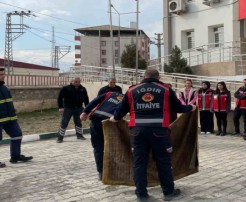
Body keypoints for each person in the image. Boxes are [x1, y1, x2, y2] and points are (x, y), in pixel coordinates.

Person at [109, 69, 196, 201]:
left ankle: (141, 194)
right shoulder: (166, 89)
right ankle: (168, 192)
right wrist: (191, 107)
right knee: (163, 162)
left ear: (144, 77)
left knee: (139, 163)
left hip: (138, 132)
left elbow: (120, 110)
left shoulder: (132, 90)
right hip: (160, 132)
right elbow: (178, 108)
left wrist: (114, 118)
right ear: (158, 77)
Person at [80, 91, 124, 180]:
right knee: (111, 147)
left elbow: (94, 101)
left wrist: (85, 112)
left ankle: (101, 172)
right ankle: (112, 170)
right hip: (110, 123)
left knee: (98, 148)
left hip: (96, 120)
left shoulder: (109, 94)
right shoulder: (127, 97)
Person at [0, 68, 33, 168]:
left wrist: (13, 115)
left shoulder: (5, 88)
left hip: (10, 119)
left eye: (3, 74)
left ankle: (15, 156)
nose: (3, 76)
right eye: (1, 74)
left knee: (17, 134)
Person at [56, 77, 89, 143]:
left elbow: (86, 99)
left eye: (79, 82)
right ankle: (60, 137)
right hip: (68, 108)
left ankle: (79, 135)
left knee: (78, 122)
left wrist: (87, 108)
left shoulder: (83, 89)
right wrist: (60, 107)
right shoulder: (65, 88)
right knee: (64, 122)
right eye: (76, 82)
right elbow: (59, 98)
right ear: (72, 81)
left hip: (79, 108)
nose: (77, 83)